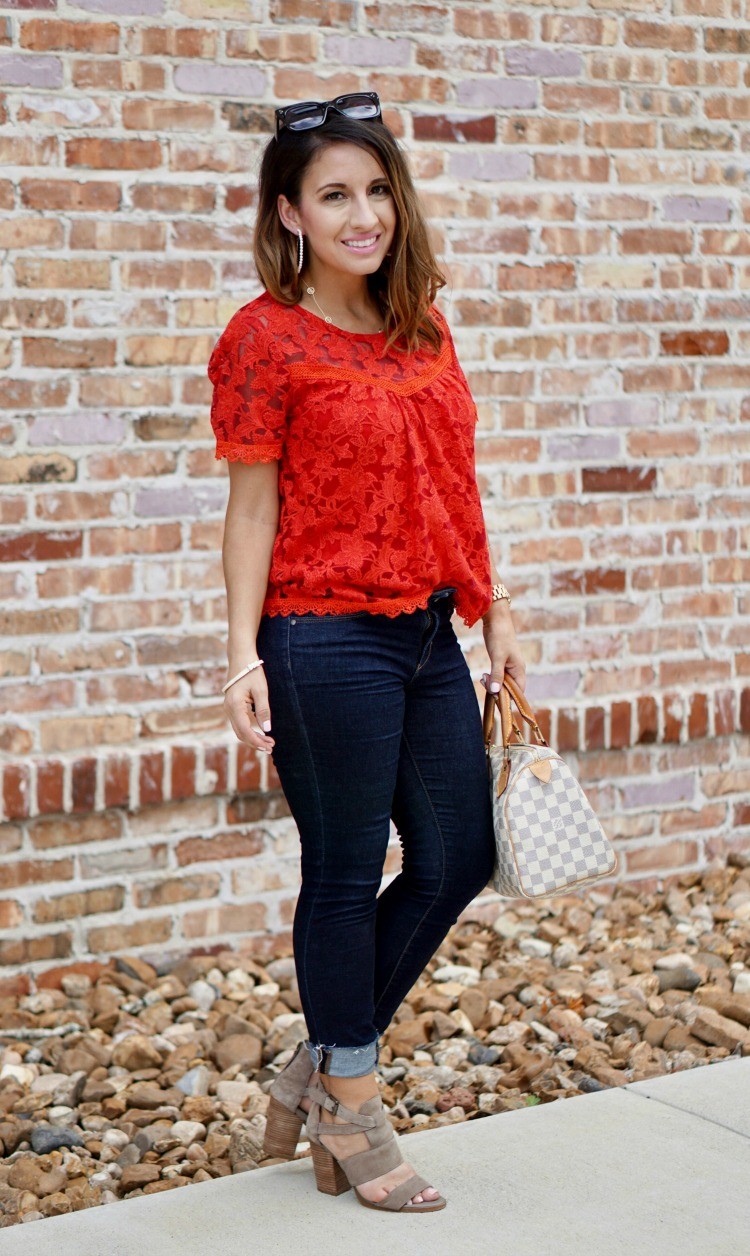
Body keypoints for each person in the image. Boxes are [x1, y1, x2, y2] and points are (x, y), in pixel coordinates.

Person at [208, 91, 528, 1215]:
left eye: (376, 188)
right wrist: (241, 656)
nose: (363, 213)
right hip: (317, 636)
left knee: (457, 858)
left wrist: (494, 613)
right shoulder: (264, 337)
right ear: (290, 212)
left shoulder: (423, 327)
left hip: (427, 629)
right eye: (334, 194)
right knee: (344, 873)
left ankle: (321, 1057)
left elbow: (454, 480)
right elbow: (252, 508)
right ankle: (354, 1097)